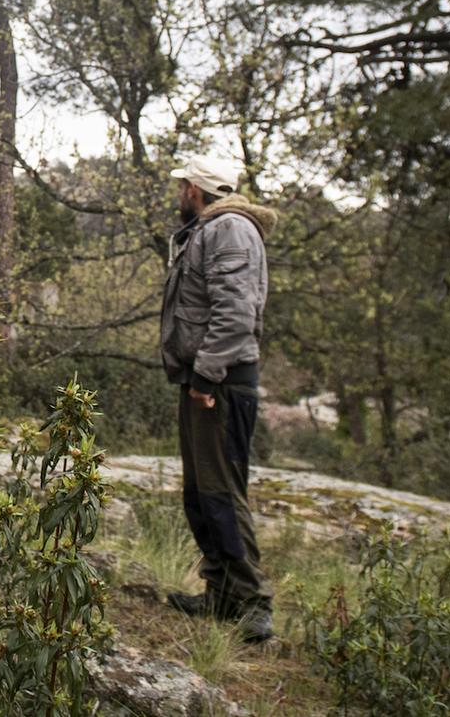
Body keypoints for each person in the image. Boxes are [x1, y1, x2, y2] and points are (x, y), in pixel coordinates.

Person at [160, 155, 277, 644]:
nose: (179, 194)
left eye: (182, 186)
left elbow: (235, 312)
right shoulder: (210, 230)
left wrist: (207, 377)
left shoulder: (228, 229)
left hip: (221, 382)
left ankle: (253, 606)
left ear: (194, 188)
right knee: (201, 494)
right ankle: (221, 595)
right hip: (204, 378)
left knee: (222, 493)